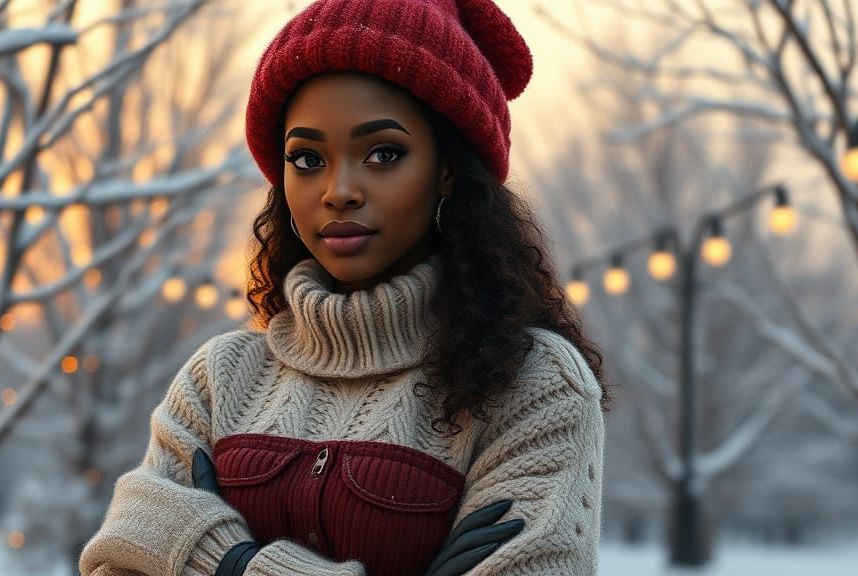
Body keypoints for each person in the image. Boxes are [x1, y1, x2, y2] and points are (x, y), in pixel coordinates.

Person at [78, 0, 612, 574]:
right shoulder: (221, 378)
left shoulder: (533, 383)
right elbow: (116, 556)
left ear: (448, 169)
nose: (338, 191)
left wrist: (219, 558)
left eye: (383, 153)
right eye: (307, 158)